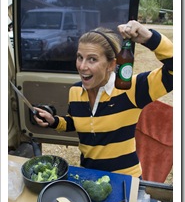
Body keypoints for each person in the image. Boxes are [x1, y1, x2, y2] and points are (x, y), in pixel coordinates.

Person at [34, 20, 173, 178]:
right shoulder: (75, 90)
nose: (82, 66)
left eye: (92, 59)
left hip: (125, 179)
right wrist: (54, 121)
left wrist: (149, 38)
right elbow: (76, 121)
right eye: (80, 57)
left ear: (111, 65)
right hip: (89, 175)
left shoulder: (131, 89)